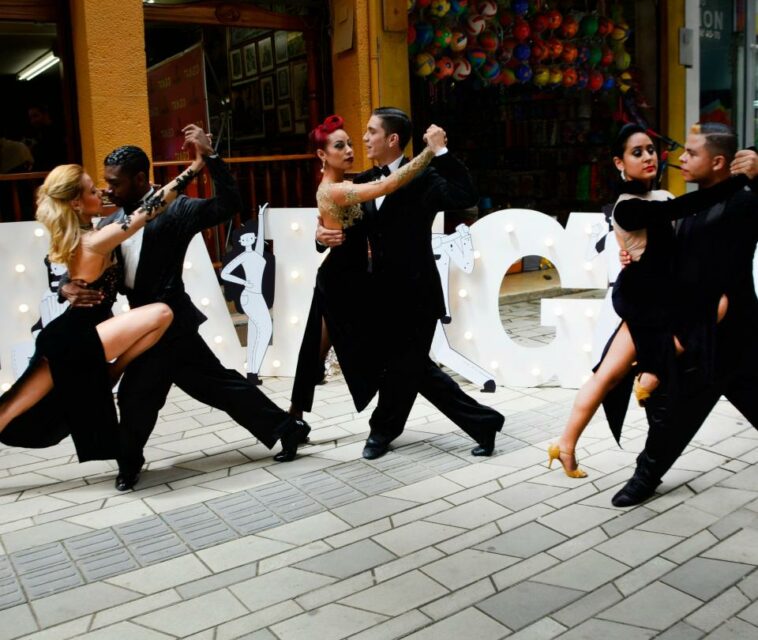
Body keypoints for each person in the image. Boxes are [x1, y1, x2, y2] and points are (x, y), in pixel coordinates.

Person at [61, 125, 309, 491]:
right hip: (142, 325)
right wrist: (70, 289)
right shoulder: (112, 223)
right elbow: (93, 274)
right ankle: (286, 429)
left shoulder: (176, 210)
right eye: (106, 181)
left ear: (141, 178)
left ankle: (129, 465)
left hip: (171, 322)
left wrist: (211, 157)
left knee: (141, 395)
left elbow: (229, 205)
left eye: (116, 181)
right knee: (215, 387)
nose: (109, 188)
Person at [549, 124, 746, 478]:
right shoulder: (627, 207)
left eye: (651, 150)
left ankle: (565, 444)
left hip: (661, 296)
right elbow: (689, 206)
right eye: (636, 152)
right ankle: (651, 373)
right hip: (643, 299)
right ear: (619, 162)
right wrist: (737, 179)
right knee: (714, 309)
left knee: (607, 375)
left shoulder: (662, 199)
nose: (648, 157)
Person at [320, 107, 505, 460]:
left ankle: (382, 431)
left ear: (392, 139)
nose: (364, 138)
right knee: (412, 369)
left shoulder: (425, 177)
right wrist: (321, 235)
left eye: (372, 131)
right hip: (379, 297)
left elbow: (464, 195)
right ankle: (483, 421)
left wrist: (441, 152)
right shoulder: (363, 182)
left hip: (417, 293)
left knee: (406, 366)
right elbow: (343, 229)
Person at [0, 139, 203, 459]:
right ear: (77, 204)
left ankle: (112, 372)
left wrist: (67, 284)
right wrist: (194, 167)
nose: (103, 193)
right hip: (79, 337)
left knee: (13, 406)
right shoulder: (95, 239)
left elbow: (70, 272)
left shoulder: (80, 231)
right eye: (94, 190)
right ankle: (113, 371)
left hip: (70, 335)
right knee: (162, 313)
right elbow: (149, 210)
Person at [612, 123, 758, 506]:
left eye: (691, 153)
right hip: (699, 333)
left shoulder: (744, 201)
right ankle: (646, 477)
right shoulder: (689, 203)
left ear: (719, 161)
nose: (680, 158)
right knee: (676, 411)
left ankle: (645, 476)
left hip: (735, 335)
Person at [290, 114, 441, 419]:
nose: (349, 149)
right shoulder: (334, 190)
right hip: (340, 283)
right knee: (318, 351)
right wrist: (430, 151)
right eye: (338, 145)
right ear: (322, 155)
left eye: (348, 143)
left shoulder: (349, 183)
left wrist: (320, 233)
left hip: (355, 279)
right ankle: (292, 420)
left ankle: (293, 419)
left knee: (315, 353)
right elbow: (387, 185)